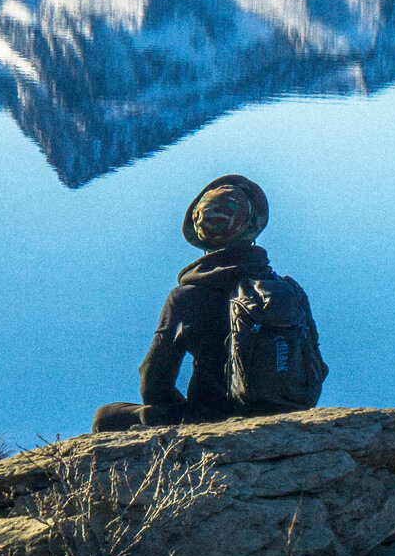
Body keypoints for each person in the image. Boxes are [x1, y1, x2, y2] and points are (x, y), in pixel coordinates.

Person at [92, 174, 281, 432]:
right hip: (286, 407)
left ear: (204, 240)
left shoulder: (185, 298)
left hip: (212, 417)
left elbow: (153, 382)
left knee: (105, 417)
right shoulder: (285, 290)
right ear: (251, 230)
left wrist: (182, 411)